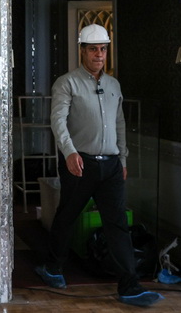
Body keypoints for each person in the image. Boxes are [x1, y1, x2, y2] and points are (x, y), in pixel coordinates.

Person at [35, 24, 163, 307]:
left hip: (112, 166)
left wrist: (123, 158)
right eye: (93, 49)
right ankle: (53, 267)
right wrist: (69, 153)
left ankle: (129, 286)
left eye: (103, 49)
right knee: (67, 216)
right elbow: (58, 121)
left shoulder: (114, 85)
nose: (99, 54)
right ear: (82, 51)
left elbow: (120, 123)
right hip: (80, 164)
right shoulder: (67, 83)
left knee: (117, 224)